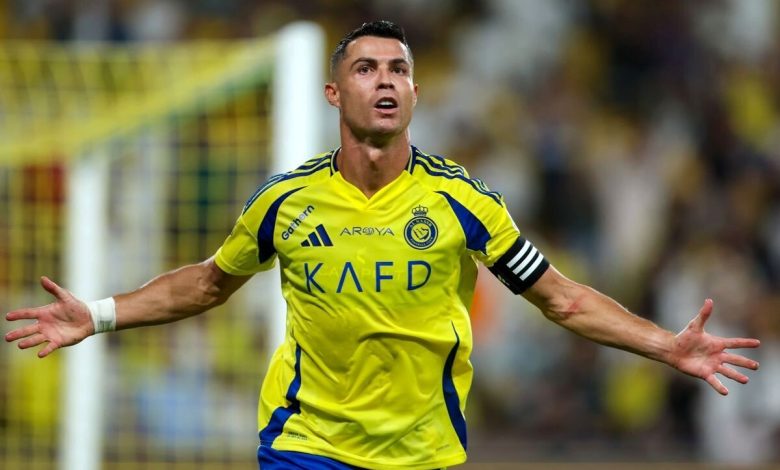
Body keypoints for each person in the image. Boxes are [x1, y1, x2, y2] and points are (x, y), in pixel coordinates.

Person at [5, 20, 761, 470]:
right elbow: (207, 283)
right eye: (365, 69)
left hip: (419, 452)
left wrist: (665, 345)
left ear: (416, 94)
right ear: (335, 95)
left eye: (399, 68)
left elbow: (560, 299)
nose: (385, 80)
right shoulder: (284, 202)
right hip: (304, 442)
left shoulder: (465, 202)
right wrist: (98, 314)